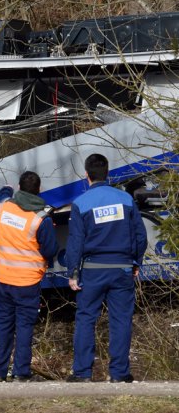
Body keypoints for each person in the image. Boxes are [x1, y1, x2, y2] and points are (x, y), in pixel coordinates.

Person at [65, 153, 147, 383]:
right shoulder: (125, 199)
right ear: (107, 173)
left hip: (92, 270)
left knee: (85, 318)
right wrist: (136, 262)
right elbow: (140, 236)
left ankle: (82, 373)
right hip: (122, 269)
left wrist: (73, 272)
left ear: (86, 176)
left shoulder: (81, 203)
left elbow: (75, 242)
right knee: (121, 320)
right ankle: (119, 374)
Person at [0, 171, 58, 382]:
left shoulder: (4, 207)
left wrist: (7, 188)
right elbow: (50, 249)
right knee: (24, 328)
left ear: (19, 188)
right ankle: (21, 372)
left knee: (2, 326)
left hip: (3, 279)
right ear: (39, 190)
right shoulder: (41, 218)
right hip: (28, 282)